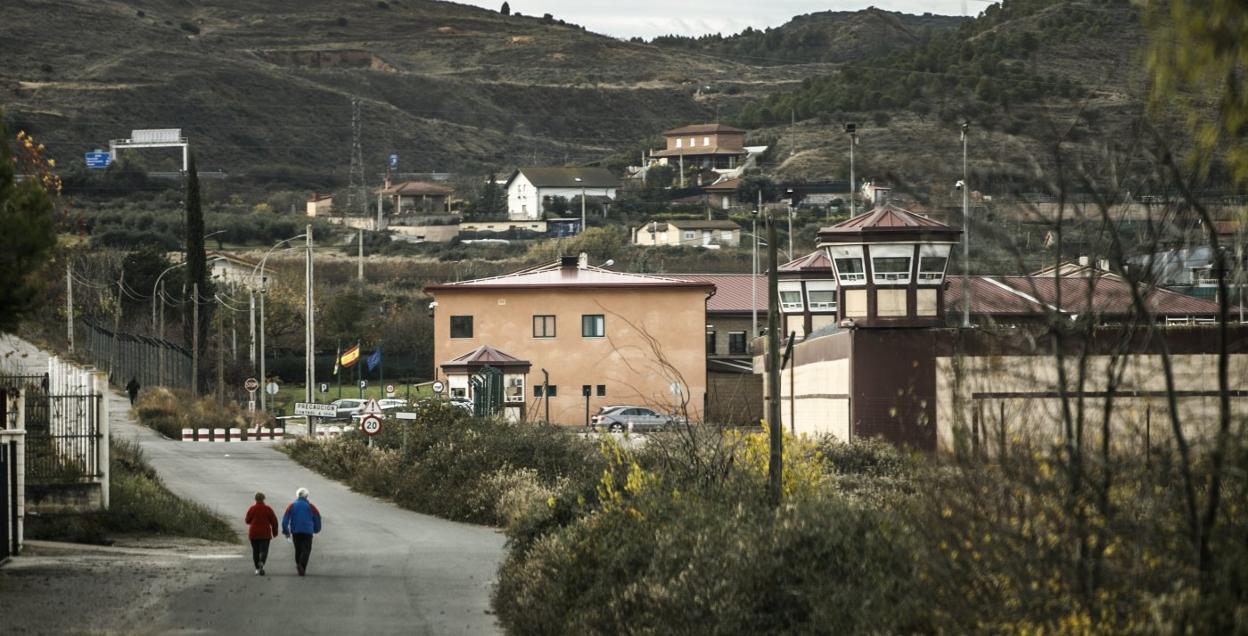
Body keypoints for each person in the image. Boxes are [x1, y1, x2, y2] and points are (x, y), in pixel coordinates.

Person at [281, 487, 321, 576]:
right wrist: (316, 529)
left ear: (297, 495)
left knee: (298, 550)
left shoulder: (291, 505)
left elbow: (285, 520)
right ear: (307, 496)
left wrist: (286, 531)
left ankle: (299, 566)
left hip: (296, 531)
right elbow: (317, 518)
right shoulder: (311, 506)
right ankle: (301, 566)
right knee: (306, 549)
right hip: (308, 532)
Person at [244, 492, 279, 576]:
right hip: (265, 534)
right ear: (264, 499)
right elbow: (274, 522)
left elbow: (247, 520)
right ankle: (262, 562)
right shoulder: (268, 509)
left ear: (255, 499)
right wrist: (275, 532)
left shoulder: (252, 508)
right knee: (264, 550)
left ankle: (257, 569)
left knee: (255, 551)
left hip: (254, 533)